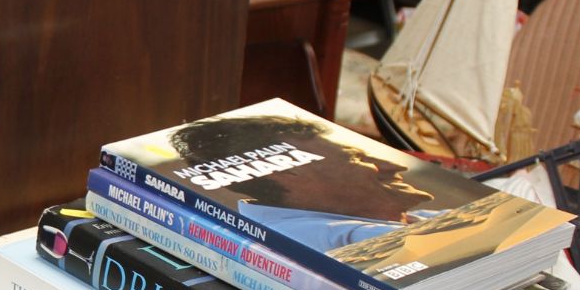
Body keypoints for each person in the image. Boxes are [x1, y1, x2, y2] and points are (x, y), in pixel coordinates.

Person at [164, 112, 465, 251]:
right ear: (284, 170)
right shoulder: (312, 238)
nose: (395, 165)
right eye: (355, 158)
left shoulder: (406, 219)